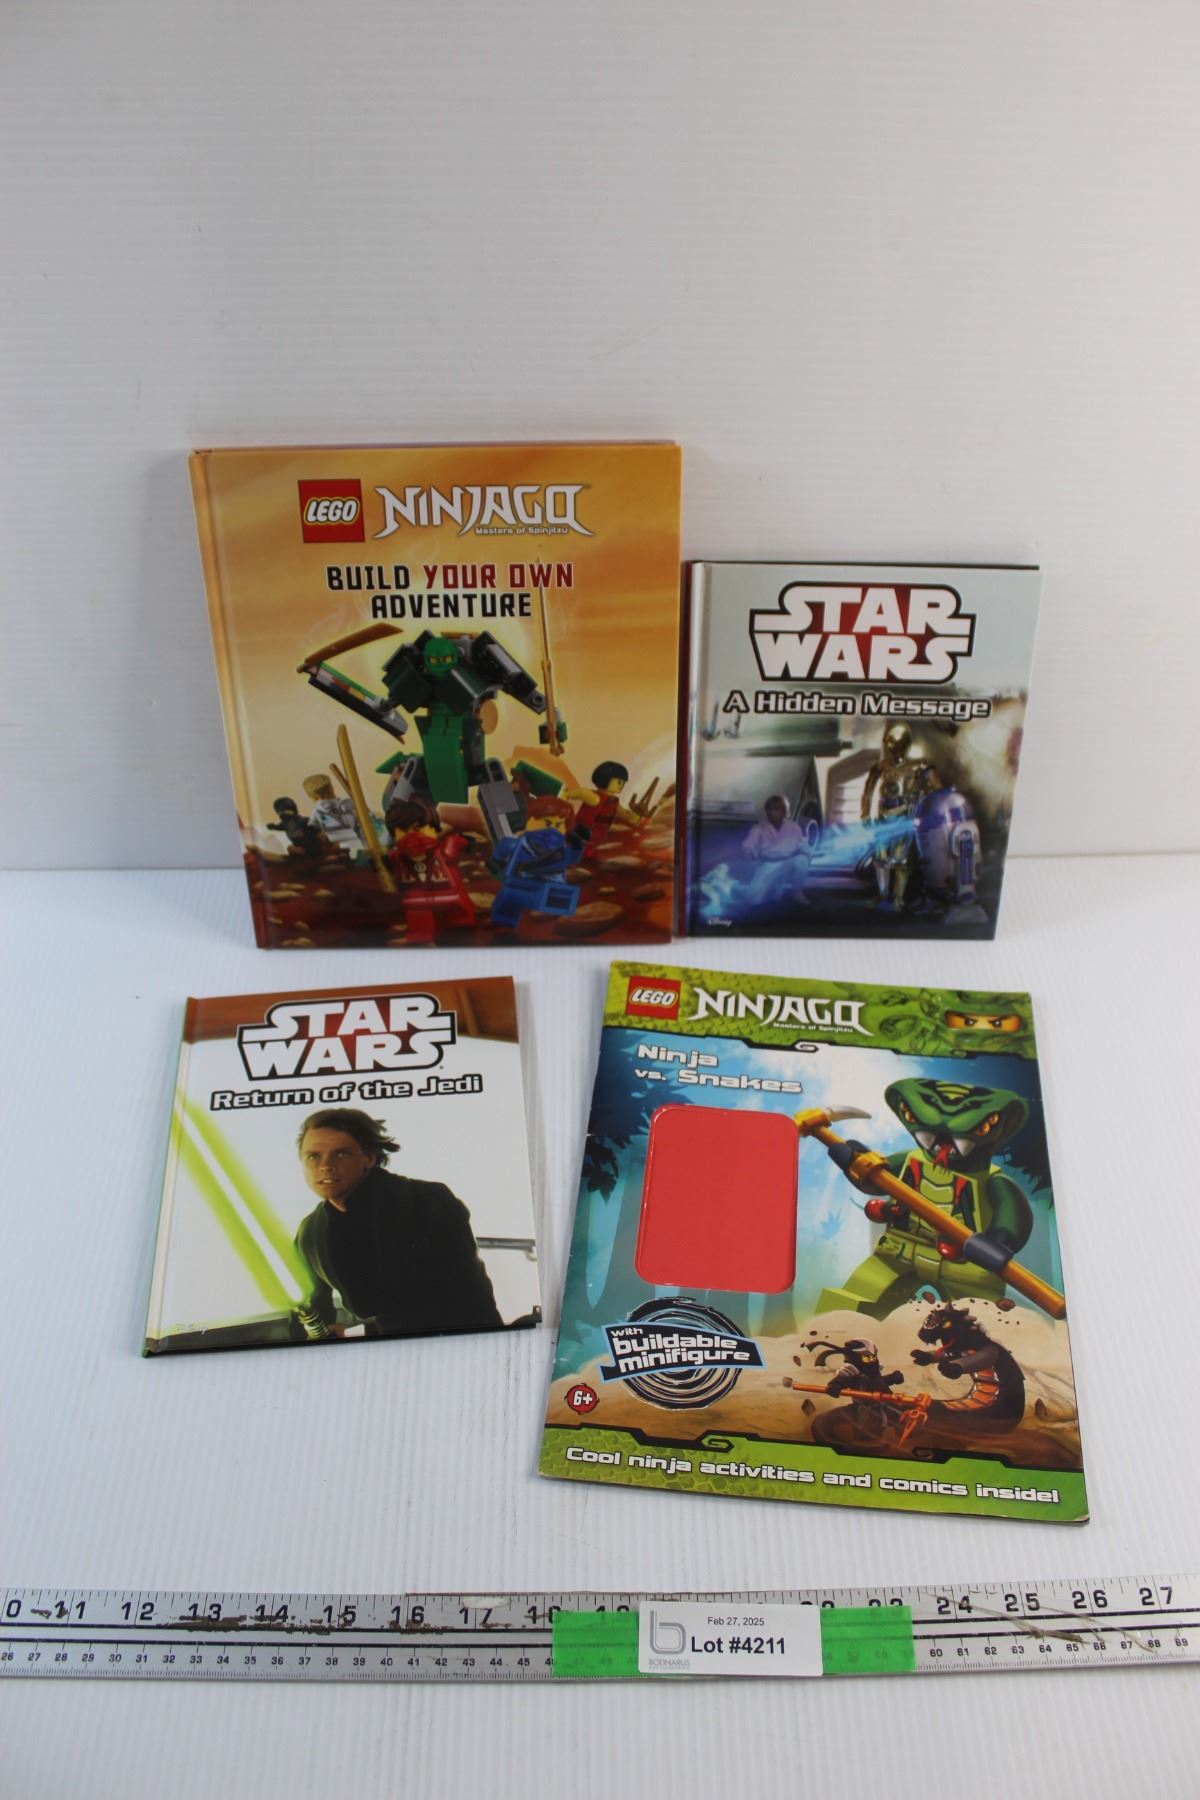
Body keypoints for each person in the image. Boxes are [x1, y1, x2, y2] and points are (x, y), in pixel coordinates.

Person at [292, 1109, 502, 1341]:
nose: (325, 1166)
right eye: (313, 1156)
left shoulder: (427, 1200)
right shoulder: (310, 1232)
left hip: (460, 1340)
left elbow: (462, 1295)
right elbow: (316, 1300)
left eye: (341, 1154)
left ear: (369, 1158)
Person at [741, 794, 814, 910]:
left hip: (788, 863)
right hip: (767, 865)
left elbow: (803, 846)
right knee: (752, 899)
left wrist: (806, 855)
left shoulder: (793, 827)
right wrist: (749, 852)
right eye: (769, 809)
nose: (772, 813)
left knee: (802, 860)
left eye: (776, 809)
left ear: (784, 811)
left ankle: (796, 891)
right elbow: (748, 845)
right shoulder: (759, 828)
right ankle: (774, 889)